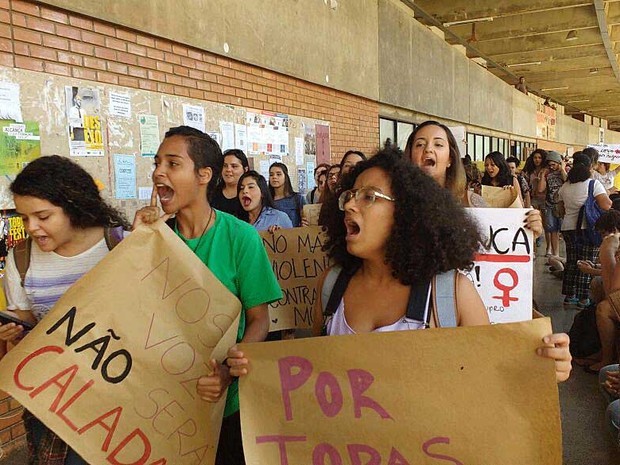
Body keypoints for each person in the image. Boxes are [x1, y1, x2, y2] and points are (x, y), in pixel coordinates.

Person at [225, 150, 572, 384]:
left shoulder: (451, 294)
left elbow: (488, 377)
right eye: (351, 195)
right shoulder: (331, 287)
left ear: (406, 212)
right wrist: (259, 370)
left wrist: (540, 367)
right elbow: (315, 377)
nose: (350, 207)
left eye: (369, 197)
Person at [133, 126, 281, 465]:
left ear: (204, 175)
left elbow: (259, 321)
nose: (158, 173)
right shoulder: (152, 240)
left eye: (172, 164)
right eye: (157, 163)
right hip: (164, 405)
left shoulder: (241, 238)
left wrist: (227, 373)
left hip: (229, 410)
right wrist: (138, 242)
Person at [0, 155, 129, 465]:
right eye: (24, 218)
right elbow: (29, 334)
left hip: (122, 405)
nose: (32, 227)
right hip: (56, 407)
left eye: (43, 216)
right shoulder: (21, 259)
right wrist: (13, 333)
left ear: (73, 205)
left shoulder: (121, 245)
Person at [405, 120, 542, 237]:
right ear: (410, 155)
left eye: (438, 144)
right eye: (420, 144)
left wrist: (529, 230)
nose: (428, 149)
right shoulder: (393, 204)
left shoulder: (470, 202)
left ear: (450, 159)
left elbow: (501, 239)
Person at [558, 152, 611, 308]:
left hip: (568, 228)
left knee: (572, 262)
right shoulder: (593, 184)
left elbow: (560, 211)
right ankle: (583, 298)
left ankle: (569, 296)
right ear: (589, 167)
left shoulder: (565, 186)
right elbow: (607, 205)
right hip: (587, 229)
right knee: (587, 262)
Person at [539, 151, 568, 258]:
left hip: (562, 205)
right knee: (552, 230)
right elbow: (541, 189)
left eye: (554, 164)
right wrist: (543, 175)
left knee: (564, 230)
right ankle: (555, 253)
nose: (551, 167)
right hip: (550, 204)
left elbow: (567, 181)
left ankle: (564, 254)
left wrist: (562, 169)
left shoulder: (564, 172)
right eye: (550, 165)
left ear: (559, 163)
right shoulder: (547, 174)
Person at [211, 148, 249, 218]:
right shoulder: (211, 193)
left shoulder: (250, 195)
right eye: (225, 166)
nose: (228, 170)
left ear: (245, 170)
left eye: (234, 166)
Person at [269, 162, 307, 227]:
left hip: (293, 235)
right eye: (271, 175)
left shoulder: (297, 198)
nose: (274, 177)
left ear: (285, 176)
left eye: (278, 174)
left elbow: (305, 220)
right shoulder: (266, 200)